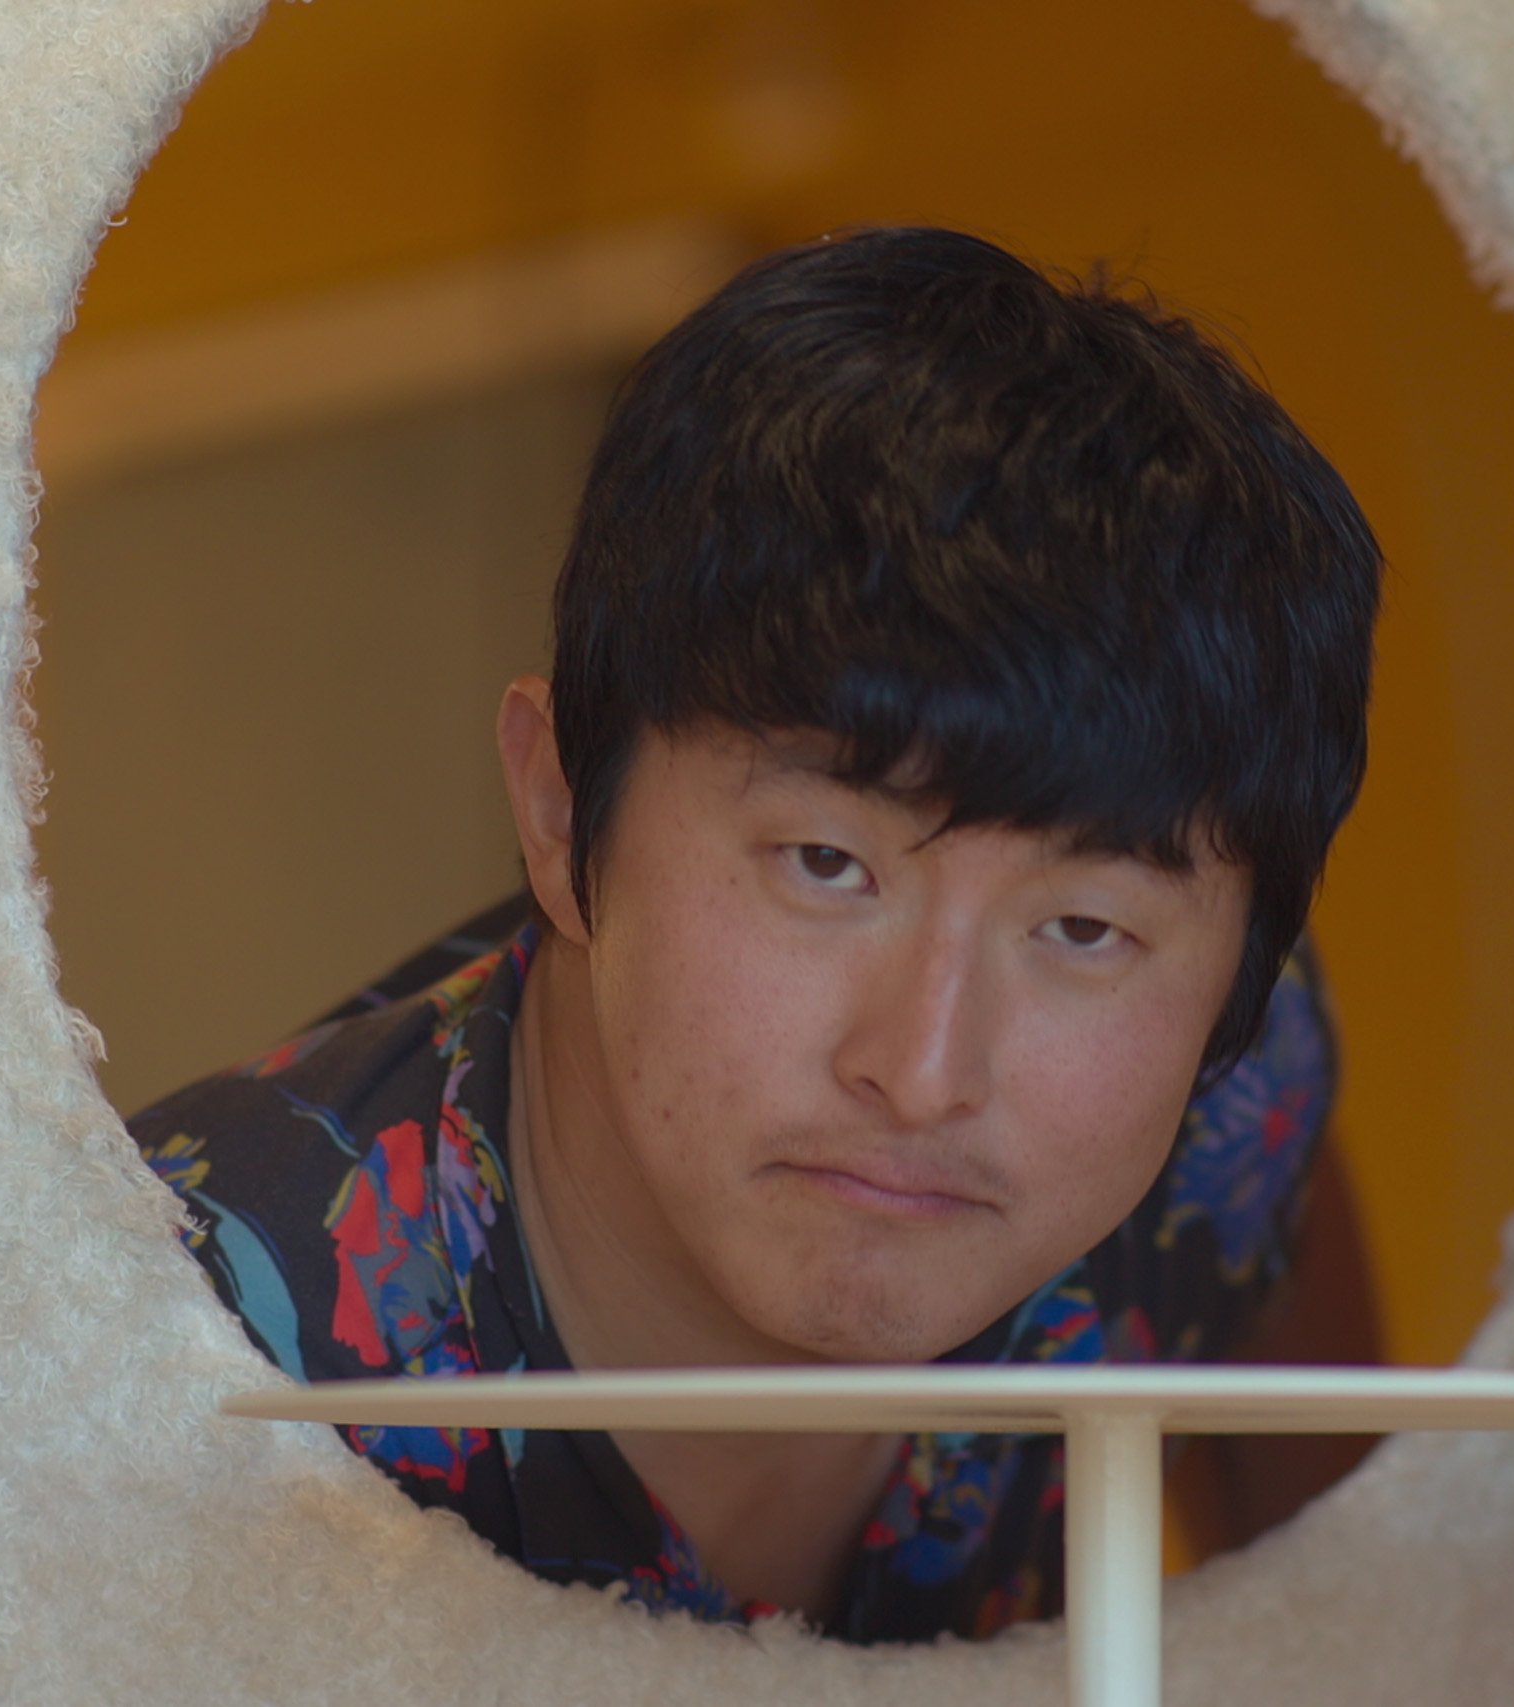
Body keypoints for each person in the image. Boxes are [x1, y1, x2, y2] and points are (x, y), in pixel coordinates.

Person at [130, 226, 1383, 1643]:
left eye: (1084, 927)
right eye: (826, 864)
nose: (922, 1073)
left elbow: (1350, 1633)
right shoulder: (170, 1340)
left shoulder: (1229, 1116)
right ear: (559, 807)